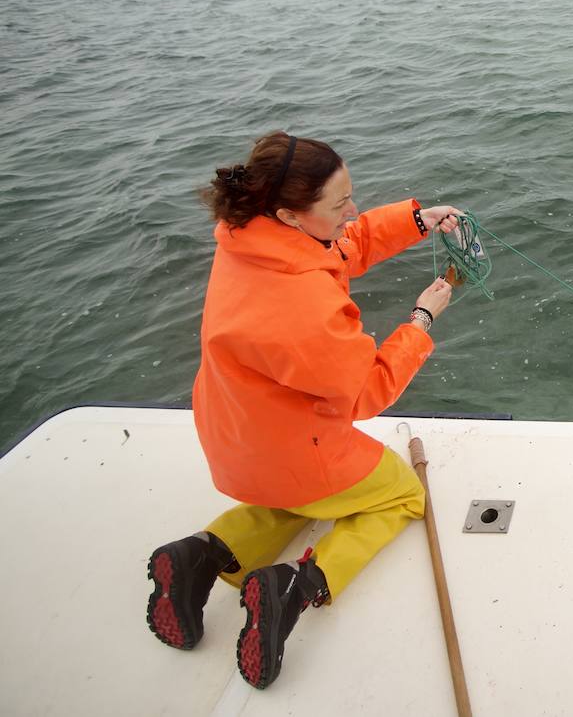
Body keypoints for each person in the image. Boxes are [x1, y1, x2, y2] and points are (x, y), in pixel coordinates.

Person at [145, 131, 462, 690]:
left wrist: (418, 220)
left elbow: (343, 243)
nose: (352, 212)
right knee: (401, 495)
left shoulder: (252, 237)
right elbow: (366, 390)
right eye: (340, 205)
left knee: (301, 496)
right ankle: (296, 584)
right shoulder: (306, 303)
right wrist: (420, 320)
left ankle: (203, 554)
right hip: (293, 452)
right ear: (292, 213)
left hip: (233, 439)